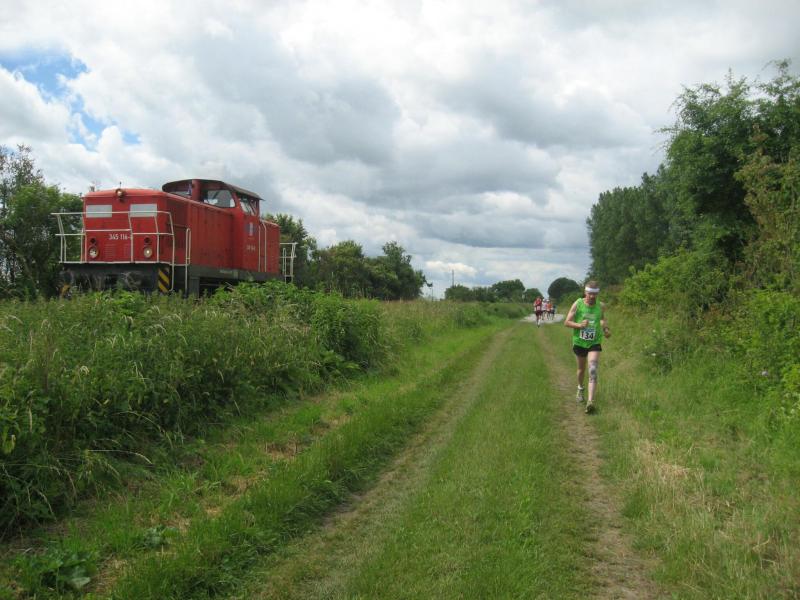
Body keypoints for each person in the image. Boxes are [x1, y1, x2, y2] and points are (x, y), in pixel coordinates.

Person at [564, 281, 610, 413]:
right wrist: (579, 325)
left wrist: (605, 329)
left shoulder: (601, 306)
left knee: (593, 368)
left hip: (594, 342)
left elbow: (602, 319)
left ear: (597, 294)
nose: (592, 296)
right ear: (585, 292)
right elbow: (566, 322)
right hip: (579, 342)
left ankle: (590, 402)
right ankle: (580, 388)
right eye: (590, 293)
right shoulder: (578, 304)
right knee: (581, 369)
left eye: (595, 294)